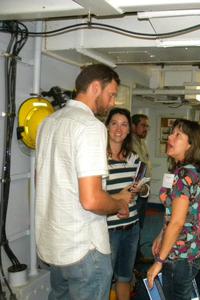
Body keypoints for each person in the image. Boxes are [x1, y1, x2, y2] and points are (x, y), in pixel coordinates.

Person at [35, 64, 131, 300]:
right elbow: (90, 199)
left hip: (55, 245)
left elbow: (48, 184)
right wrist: (119, 205)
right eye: (111, 95)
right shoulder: (90, 126)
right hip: (83, 249)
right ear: (95, 87)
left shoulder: (48, 123)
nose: (111, 103)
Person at [146, 119, 200, 300]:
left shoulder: (183, 175)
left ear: (190, 145)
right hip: (189, 250)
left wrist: (159, 262)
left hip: (179, 255)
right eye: (171, 133)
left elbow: (178, 221)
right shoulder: (188, 171)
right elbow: (176, 215)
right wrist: (161, 235)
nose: (170, 138)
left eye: (177, 135)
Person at [105, 108, 150, 300]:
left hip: (132, 229)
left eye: (124, 124)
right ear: (107, 127)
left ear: (128, 130)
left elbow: (145, 189)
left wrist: (142, 190)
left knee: (125, 277)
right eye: (114, 123)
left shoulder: (133, 159)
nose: (118, 128)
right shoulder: (98, 159)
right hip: (109, 229)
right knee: (105, 279)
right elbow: (92, 196)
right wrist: (119, 197)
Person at [131, 114, 152, 262]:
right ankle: (133, 259)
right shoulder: (130, 145)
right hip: (135, 193)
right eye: (143, 125)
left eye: (147, 126)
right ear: (134, 126)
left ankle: (136, 256)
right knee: (134, 226)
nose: (146, 129)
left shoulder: (141, 142)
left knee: (139, 225)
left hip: (144, 191)